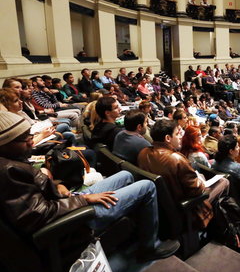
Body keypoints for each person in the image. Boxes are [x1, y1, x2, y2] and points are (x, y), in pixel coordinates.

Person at [0, 111, 180, 261]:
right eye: (24, 139)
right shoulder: (8, 171)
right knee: (147, 186)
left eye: (29, 136)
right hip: (73, 220)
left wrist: (57, 184)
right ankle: (149, 247)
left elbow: (38, 198)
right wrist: (84, 198)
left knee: (126, 175)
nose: (32, 141)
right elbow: (39, 215)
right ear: (5, 143)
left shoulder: (13, 160)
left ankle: (133, 230)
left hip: (68, 202)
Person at [137, 119, 229, 229]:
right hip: (187, 206)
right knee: (224, 181)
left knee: (202, 176)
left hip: (161, 206)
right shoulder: (177, 159)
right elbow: (197, 190)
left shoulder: (143, 153)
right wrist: (200, 182)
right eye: (177, 134)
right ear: (167, 138)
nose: (181, 136)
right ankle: (218, 224)